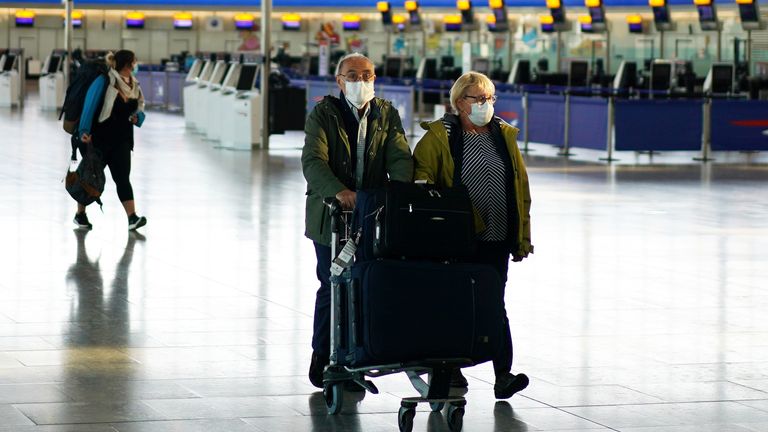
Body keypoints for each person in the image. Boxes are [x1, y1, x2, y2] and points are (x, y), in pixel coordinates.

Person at [412, 71, 533, 399]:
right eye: (478, 98)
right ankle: (449, 369)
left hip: (497, 236)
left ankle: (503, 375)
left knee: (495, 304)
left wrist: (522, 236)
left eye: (490, 98)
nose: (485, 104)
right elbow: (421, 174)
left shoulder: (503, 135)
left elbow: (519, 187)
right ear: (458, 102)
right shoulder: (439, 136)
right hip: (458, 236)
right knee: (455, 303)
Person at [302, 52, 413, 388]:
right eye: (352, 75)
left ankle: (356, 358)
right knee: (332, 285)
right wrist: (339, 191)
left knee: (365, 285)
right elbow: (313, 160)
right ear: (339, 81)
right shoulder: (324, 113)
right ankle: (324, 356)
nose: (361, 81)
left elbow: (398, 154)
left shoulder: (386, 113)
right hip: (331, 216)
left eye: (367, 75)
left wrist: (402, 190)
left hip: (371, 215)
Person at [73, 50, 147, 231]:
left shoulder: (134, 84)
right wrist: (84, 130)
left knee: (123, 178)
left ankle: (132, 218)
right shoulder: (105, 80)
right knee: (90, 177)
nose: (135, 65)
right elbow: (90, 105)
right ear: (127, 64)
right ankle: (80, 214)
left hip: (122, 140)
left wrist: (139, 118)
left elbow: (140, 108)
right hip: (100, 139)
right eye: (133, 62)